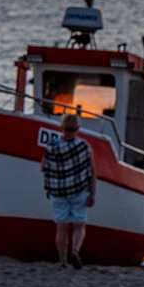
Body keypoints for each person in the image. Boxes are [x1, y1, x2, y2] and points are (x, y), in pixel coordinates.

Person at [42, 111, 96, 268]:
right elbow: (92, 171)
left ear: (61, 127)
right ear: (78, 128)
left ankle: (63, 261)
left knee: (61, 227)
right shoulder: (84, 146)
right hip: (79, 190)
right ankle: (75, 250)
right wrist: (93, 193)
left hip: (58, 192)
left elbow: (43, 167)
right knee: (79, 225)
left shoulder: (51, 146)